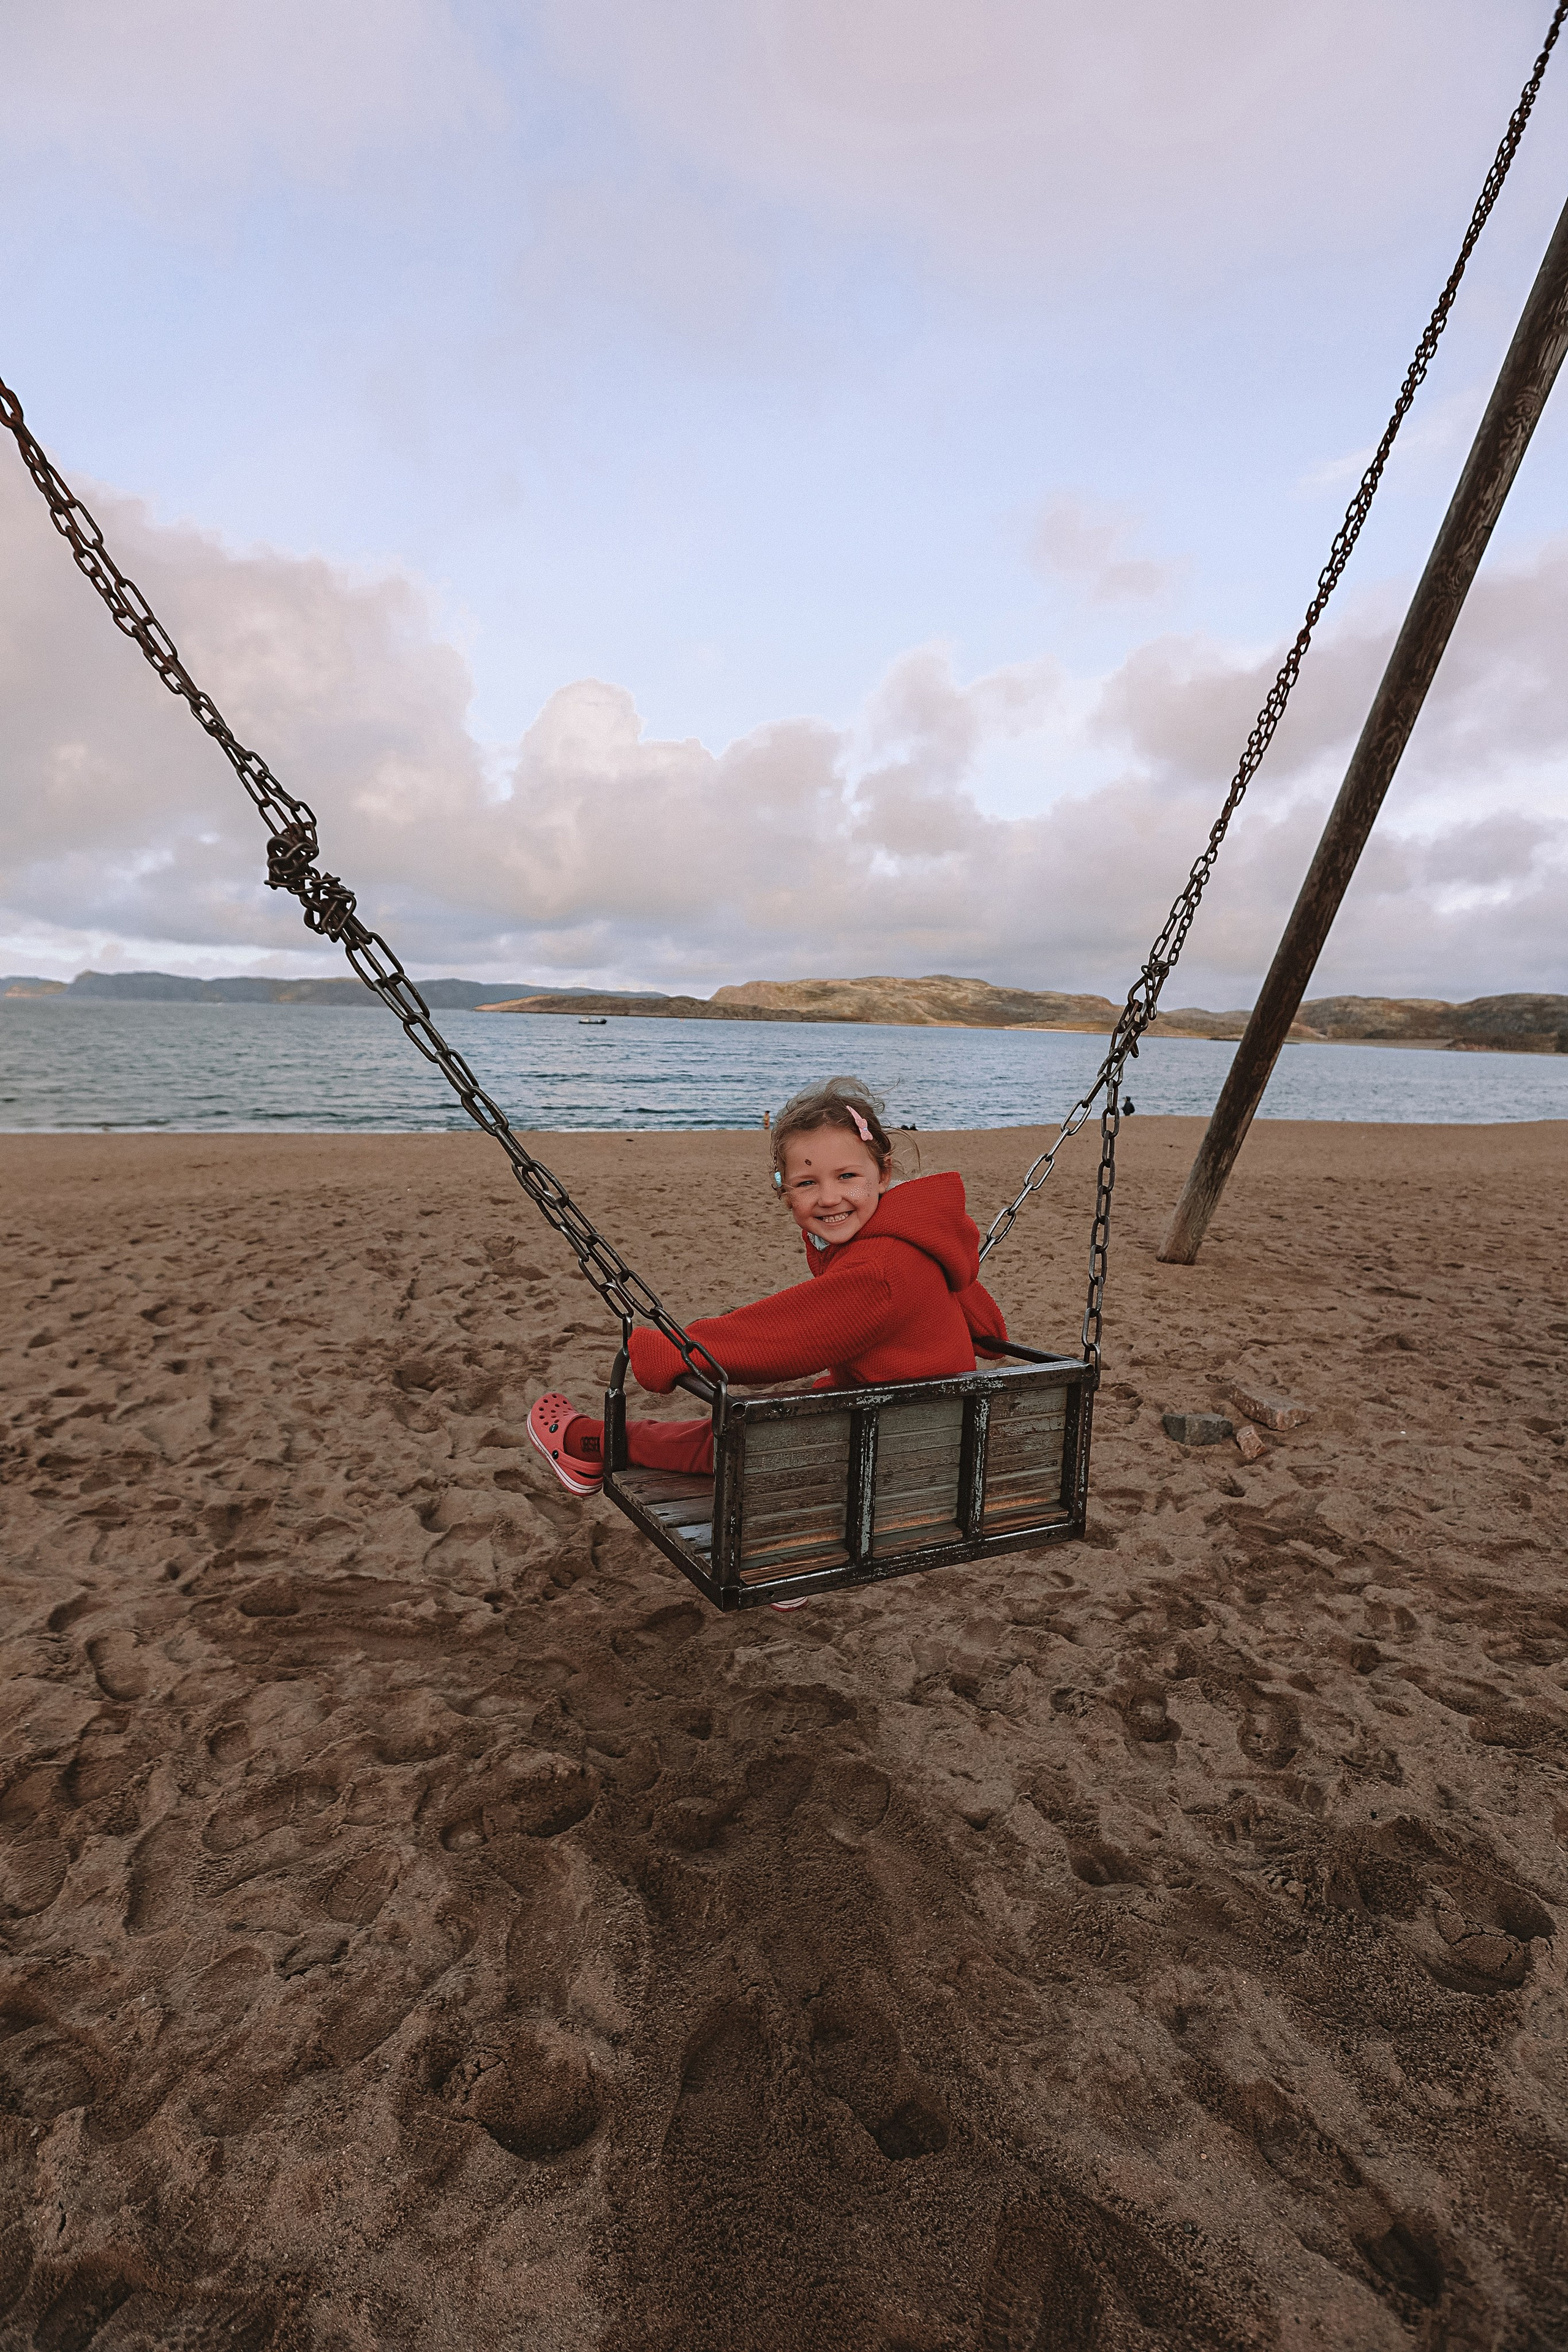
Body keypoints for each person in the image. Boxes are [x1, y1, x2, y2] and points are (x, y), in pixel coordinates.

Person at [528, 1077, 1008, 1500]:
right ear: (785, 1192)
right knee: (771, 1417)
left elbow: (784, 1337)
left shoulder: (880, 1269)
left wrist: (676, 1350)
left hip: (890, 1449)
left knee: (733, 1435)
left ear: (882, 1174)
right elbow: (976, 1312)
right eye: (806, 1182)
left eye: (847, 1177)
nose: (829, 1197)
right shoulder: (920, 1240)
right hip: (920, 1427)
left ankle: (585, 1442)